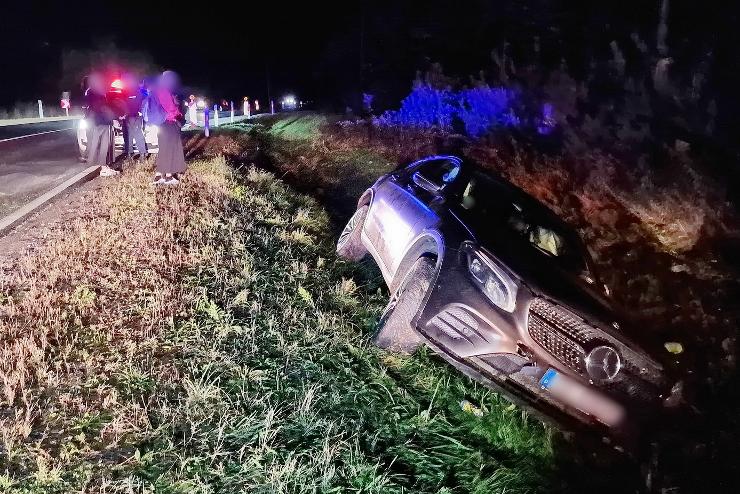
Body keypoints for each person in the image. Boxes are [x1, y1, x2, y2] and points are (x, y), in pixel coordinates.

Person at [153, 71, 186, 185]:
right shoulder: (164, 91)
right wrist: (177, 115)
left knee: (164, 148)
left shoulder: (158, 90)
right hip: (169, 123)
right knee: (170, 148)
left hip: (162, 124)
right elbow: (170, 108)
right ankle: (168, 176)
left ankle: (159, 175)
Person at [85, 72, 118, 177]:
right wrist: (113, 119)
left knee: (98, 143)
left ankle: (103, 166)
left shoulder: (90, 92)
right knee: (105, 144)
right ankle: (104, 168)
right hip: (102, 121)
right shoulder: (97, 93)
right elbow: (103, 107)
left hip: (97, 121)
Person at [121, 74, 147, 159]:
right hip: (136, 116)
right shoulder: (139, 93)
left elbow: (123, 104)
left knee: (129, 135)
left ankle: (129, 154)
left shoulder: (125, 93)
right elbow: (144, 103)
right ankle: (142, 154)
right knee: (138, 134)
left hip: (129, 117)